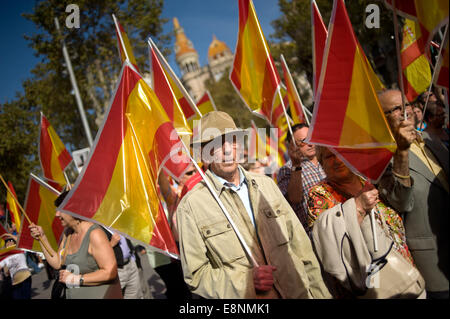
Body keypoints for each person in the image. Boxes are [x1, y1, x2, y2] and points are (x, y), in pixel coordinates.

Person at [175, 111, 331, 299]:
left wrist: (320, 294)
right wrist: (246, 282)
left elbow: (301, 247)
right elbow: (196, 276)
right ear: (204, 155)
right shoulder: (191, 206)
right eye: (215, 145)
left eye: (232, 141)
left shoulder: (266, 185)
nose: (226, 150)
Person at [308, 147, 422, 298]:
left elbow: (402, 202)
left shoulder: (369, 180)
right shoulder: (320, 193)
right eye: (329, 157)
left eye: (341, 153)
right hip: (374, 280)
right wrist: (358, 207)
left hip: (403, 269)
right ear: (321, 163)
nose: (336, 160)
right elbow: (328, 239)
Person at [378, 89, 449, 299]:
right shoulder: (382, 157)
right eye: (396, 109)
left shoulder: (429, 138)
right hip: (434, 259)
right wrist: (401, 150)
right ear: (383, 118)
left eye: (406, 105)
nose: (405, 112)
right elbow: (401, 201)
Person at [29, 190, 122, 299]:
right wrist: (42, 238)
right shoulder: (67, 233)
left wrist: (76, 279)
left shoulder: (94, 234)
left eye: (60, 210)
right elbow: (58, 263)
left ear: (72, 209)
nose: (57, 214)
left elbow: (110, 272)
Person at [277, 123, 326, 236]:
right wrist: (296, 165)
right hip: (316, 233)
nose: (309, 144)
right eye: (303, 141)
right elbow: (294, 199)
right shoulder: (288, 169)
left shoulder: (327, 159)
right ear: (293, 146)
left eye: (311, 138)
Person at [108, 233, 142, 299]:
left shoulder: (117, 224)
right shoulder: (98, 228)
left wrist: (132, 258)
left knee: (135, 295)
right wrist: (111, 244)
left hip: (130, 263)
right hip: (117, 269)